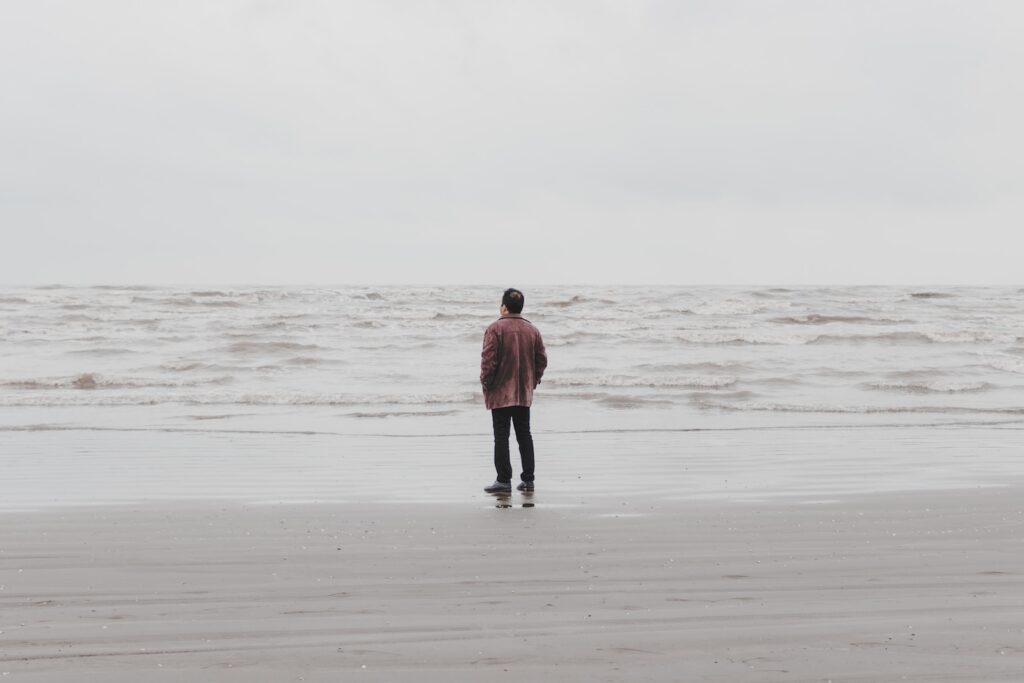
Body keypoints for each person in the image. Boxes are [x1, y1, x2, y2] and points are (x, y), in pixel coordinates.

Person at [480, 288, 547, 493]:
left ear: (504, 307)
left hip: (501, 392)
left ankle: (503, 480)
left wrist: (486, 384)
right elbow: (541, 360)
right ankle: (528, 479)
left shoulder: (495, 329)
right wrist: (533, 380)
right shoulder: (532, 330)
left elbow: (488, 362)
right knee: (524, 435)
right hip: (523, 392)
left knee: (501, 436)